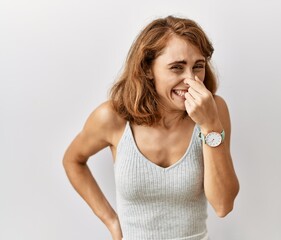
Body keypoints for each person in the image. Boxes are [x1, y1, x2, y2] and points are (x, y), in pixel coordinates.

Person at [63, 15, 239, 240]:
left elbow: (223, 205)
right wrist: (111, 221)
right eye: (177, 68)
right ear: (147, 69)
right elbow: (73, 160)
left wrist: (210, 125)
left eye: (198, 66)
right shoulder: (112, 117)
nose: (191, 80)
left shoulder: (215, 110)